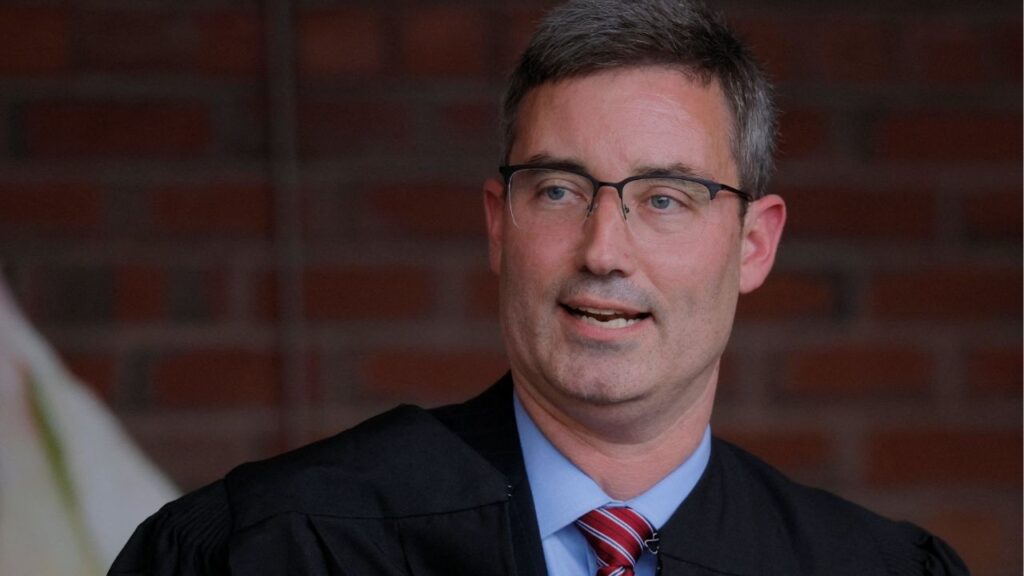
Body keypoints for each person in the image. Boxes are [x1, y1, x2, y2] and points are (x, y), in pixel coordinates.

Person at [110, 1, 969, 574]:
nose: (604, 249)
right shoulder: (279, 547)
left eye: (666, 199)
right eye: (558, 190)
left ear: (753, 243)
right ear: (499, 221)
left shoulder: (872, 568)